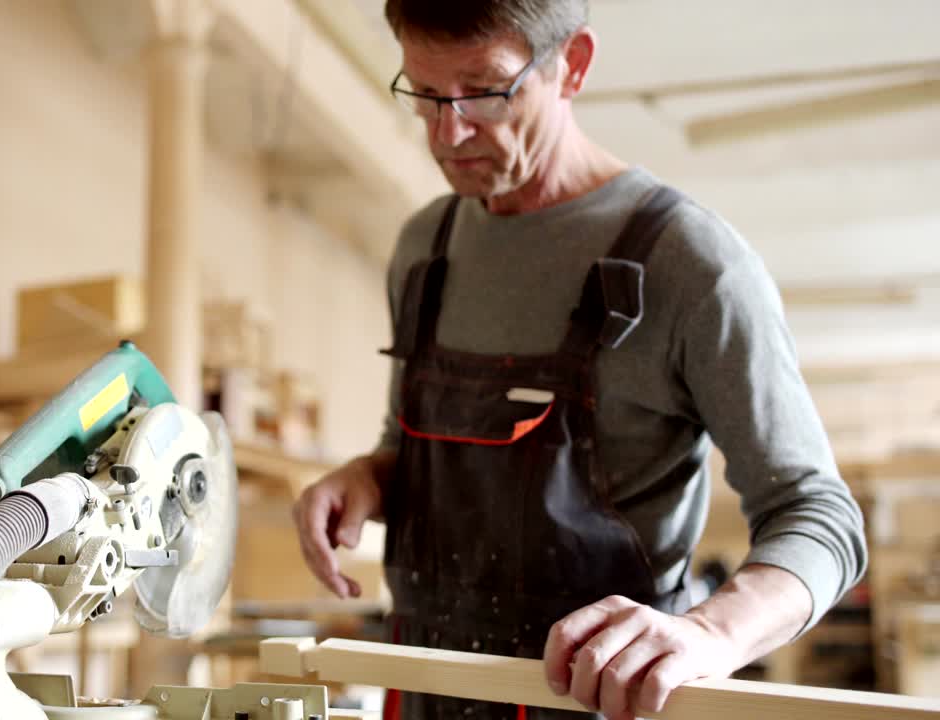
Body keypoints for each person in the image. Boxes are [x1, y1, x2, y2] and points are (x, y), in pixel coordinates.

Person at [290, 2, 868, 719]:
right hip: (422, 695)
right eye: (427, 94)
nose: (450, 132)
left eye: (485, 90)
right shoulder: (423, 248)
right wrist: (369, 478)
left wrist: (709, 635)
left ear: (574, 66)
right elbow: (408, 443)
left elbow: (820, 516)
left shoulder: (689, 265)